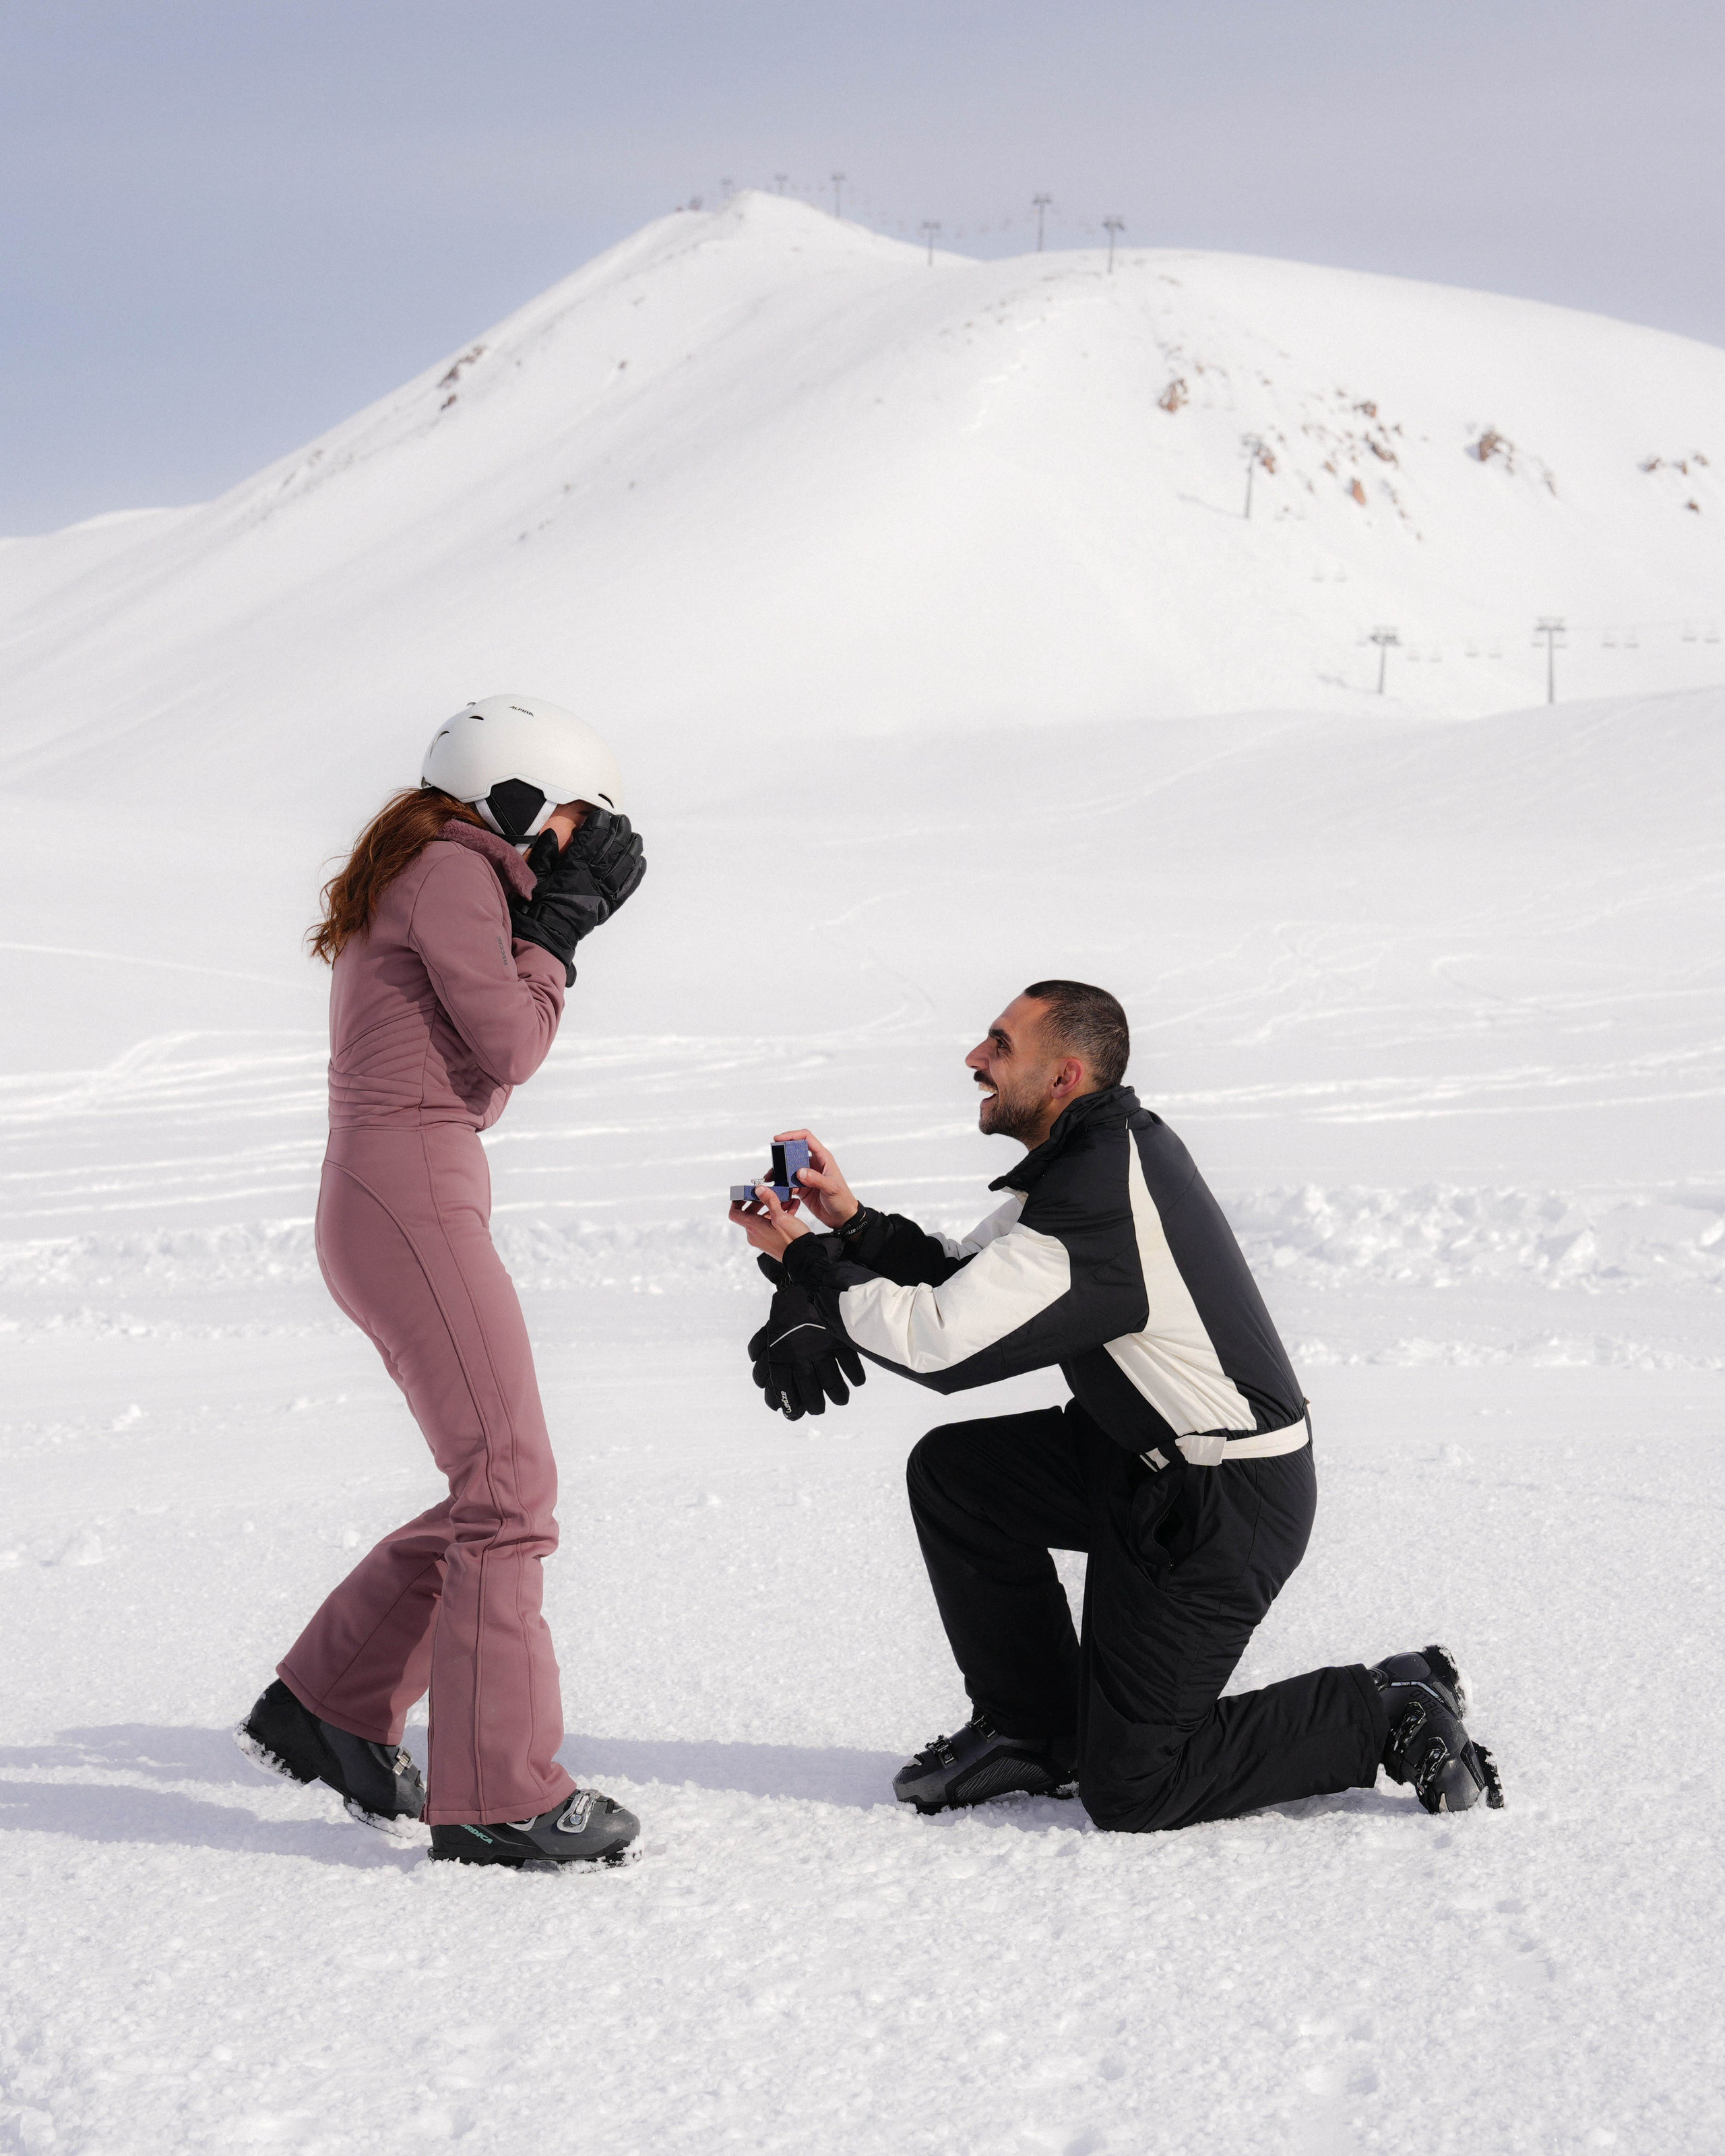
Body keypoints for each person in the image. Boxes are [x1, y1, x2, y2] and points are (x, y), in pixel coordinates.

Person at [730, 980, 1503, 1832]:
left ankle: (1386, 1707)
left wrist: (811, 1268)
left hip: (1219, 1501)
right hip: (1137, 1455)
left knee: (1136, 1787)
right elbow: (965, 1279)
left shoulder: (1099, 1191)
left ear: (1063, 1076)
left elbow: (943, 1341)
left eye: (998, 1044)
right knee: (960, 1477)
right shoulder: (1091, 1158)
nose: (974, 1060)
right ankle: (1034, 1728)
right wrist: (850, 1225)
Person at [237, 695, 646, 1870]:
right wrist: (559, 932)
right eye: (571, 818)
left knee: (493, 1487)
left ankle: (331, 1704)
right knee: (509, 1488)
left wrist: (552, 928)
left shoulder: (438, 869)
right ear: (512, 795)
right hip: (409, 1193)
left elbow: (483, 1062)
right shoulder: (455, 874)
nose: (574, 844)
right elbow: (512, 1051)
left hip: (400, 1190)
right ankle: (501, 1793)